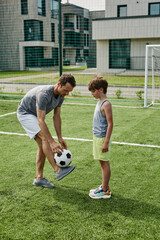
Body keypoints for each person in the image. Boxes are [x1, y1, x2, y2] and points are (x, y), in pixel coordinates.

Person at [17, 74, 76, 188]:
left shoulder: (60, 96)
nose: (67, 93)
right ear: (58, 84)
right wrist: (52, 142)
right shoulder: (44, 94)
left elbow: (56, 117)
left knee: (41, 145)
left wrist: (59, 138)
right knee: (45, 139)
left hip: (34, 115)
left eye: (69, 91)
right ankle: (58, 170)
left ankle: (39, 178)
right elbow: (40, 120)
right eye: (65, 90)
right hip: (25, 113)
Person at [88, 76, 113, 199]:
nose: (92, 93)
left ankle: (105, 189)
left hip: (102, 138)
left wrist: (106, 142)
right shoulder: (99, 102)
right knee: (102, 162)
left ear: (101, 89)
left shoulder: (106, 104)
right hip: (97, 137)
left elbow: (110, 124)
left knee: (104, 163)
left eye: (93, 91)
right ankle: (104, 186)